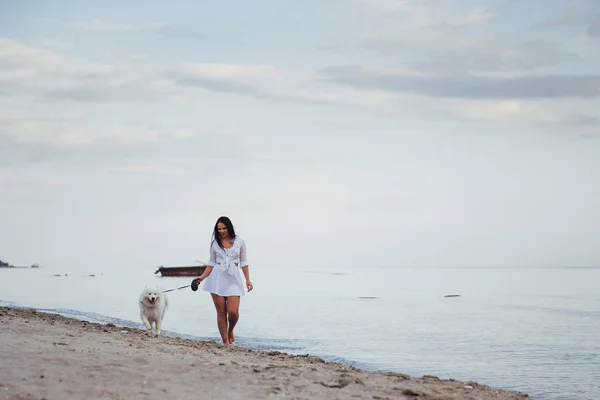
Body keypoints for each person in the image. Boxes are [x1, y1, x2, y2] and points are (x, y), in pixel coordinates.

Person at [193, 216, 253, 347]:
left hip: (233, 278)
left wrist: (248, 280)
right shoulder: (215, 243)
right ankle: (225, 342)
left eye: (224, 228)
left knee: (233, 312)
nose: (221, 231)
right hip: (217, 278)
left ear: (229, 227)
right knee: (221, 312)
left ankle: (230, 330)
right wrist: (202, 277)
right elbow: (211, 262)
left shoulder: (240, 241)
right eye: (219, 229)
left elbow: (244, 262)